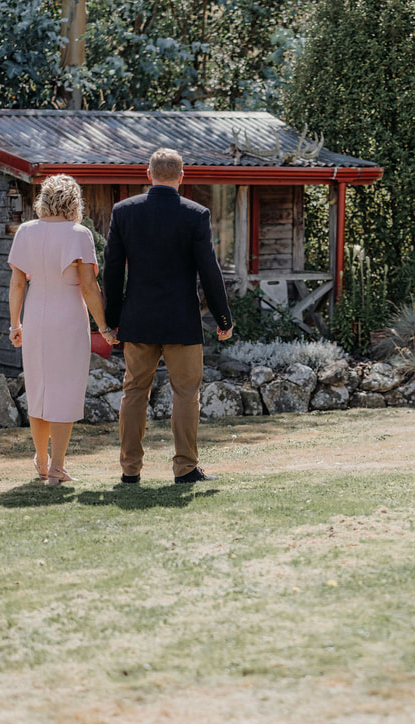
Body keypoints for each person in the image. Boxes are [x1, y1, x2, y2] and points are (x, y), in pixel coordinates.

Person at [103, 148, 234, 485]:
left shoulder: (124, 212)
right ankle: (186, 468)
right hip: (181, 320)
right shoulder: (195, 214)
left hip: (138, 318)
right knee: (187, 394)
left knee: (134, 392)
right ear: (181, 176)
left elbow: (113, 271)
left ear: (148, 174)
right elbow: (209, 269)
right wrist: (223, 318)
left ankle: (130, 470)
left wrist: (111, 320)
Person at [8, 174, 118, 486]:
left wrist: (15, 324)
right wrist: (105, 327)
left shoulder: (26, 231)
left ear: (43, 200)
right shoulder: (79, 234)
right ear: (74, 203)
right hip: (68, 317)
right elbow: (88, 286)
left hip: (36, 316)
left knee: (39, 388)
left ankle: (41, 460)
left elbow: (17, 283)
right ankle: (57, 466)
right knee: (65, 390)